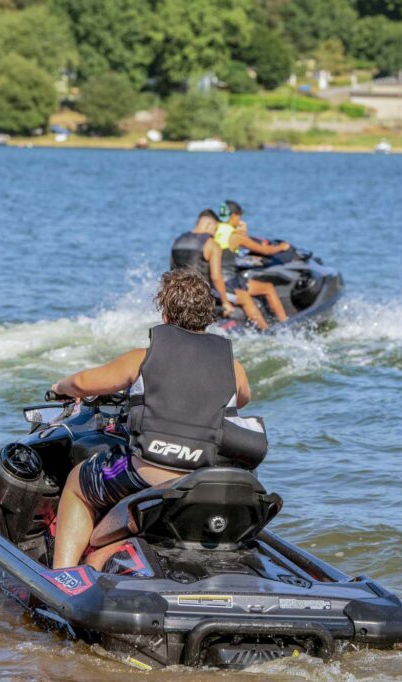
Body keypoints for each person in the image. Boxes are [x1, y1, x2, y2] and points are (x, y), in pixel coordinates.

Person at [50, 269, 258, 570]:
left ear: (165, 316)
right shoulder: (232, 365)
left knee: (76, 483)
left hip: (147, 473)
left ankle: (63, 576)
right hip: (199, 476)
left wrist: (58, 388)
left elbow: (83, 383)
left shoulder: (143, 358)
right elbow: (242, 398)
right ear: (208, 316)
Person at [213, 201, 291, 330]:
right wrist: (282, 247)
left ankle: (279, 324)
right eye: (239, 216)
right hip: (227, 283)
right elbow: (264, 250)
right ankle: (269, 329)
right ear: (233, 216)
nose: (240, 219)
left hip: (224, 280)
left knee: (267, 288)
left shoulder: (214, 230)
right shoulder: (235, 236)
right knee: (251, 297)